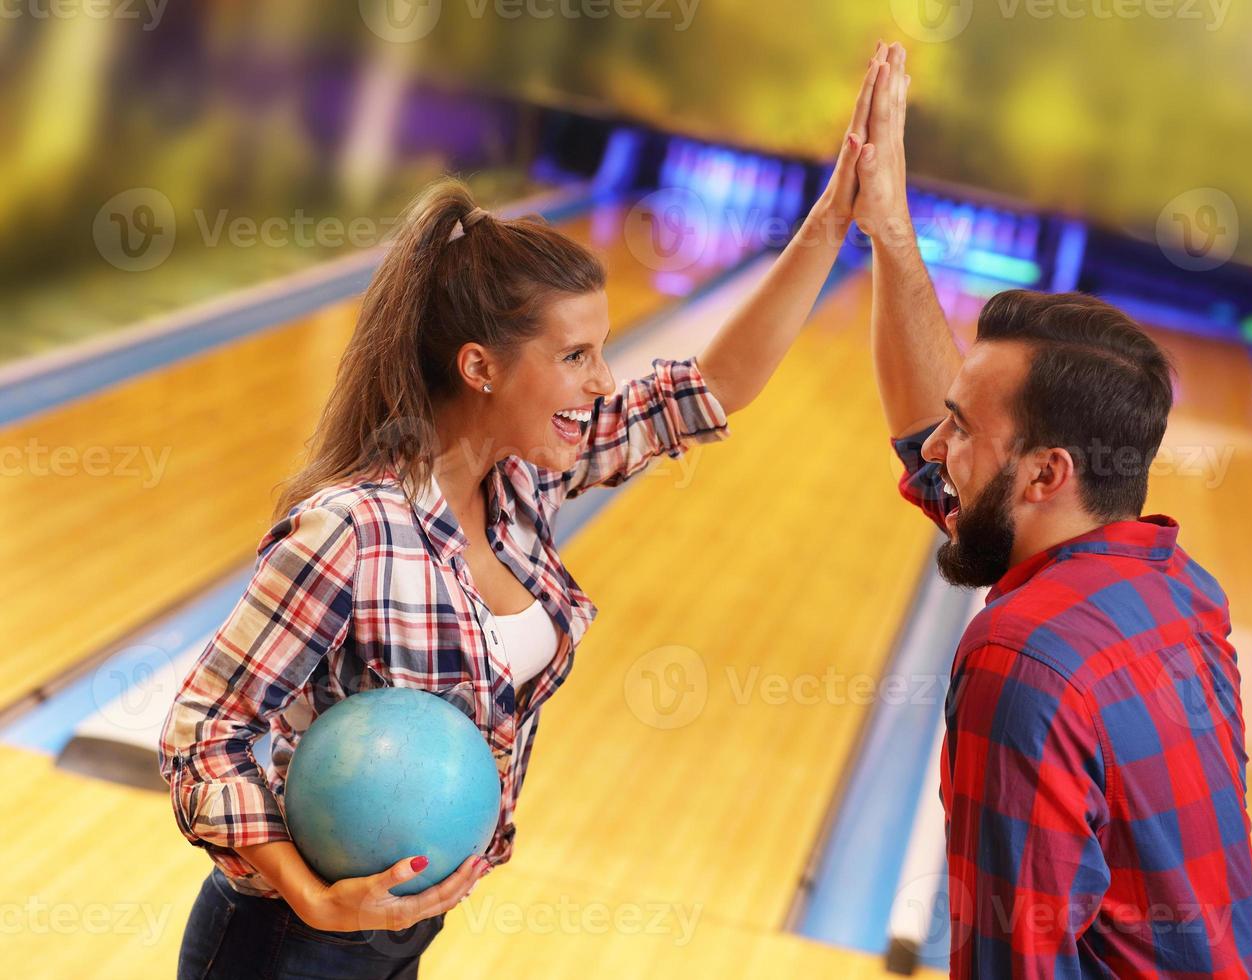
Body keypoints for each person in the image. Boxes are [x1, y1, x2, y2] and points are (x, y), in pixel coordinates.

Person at [160, 45, 890, 979]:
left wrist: (833, 223)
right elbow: (201, 732)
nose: (600, 381)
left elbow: (714, 384)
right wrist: (311, 896)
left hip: (398, 932)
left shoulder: (522, 484)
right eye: (576, 356)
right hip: (287, 943)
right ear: (481, 366)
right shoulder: (352, 531)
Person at [856, 43, 1252, 979]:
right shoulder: (1173, 585)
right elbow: (944, 468)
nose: (934, 450)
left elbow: (1014, 963)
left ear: (1049, 475)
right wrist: (890, 230)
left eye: (960, 429)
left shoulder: (1020, 663)